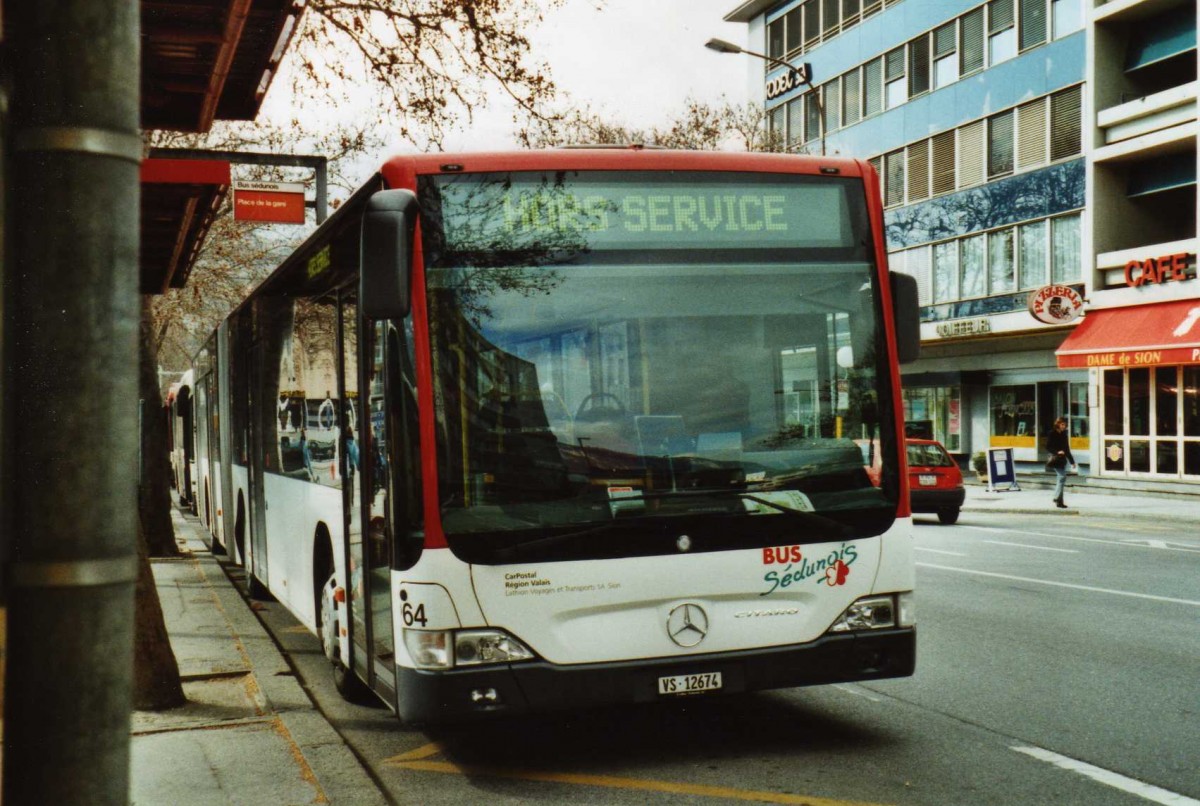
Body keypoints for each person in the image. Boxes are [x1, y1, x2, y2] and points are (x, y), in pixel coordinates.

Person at [1046, 417, 1075, 508]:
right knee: (1062, 477)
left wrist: (1072, 461)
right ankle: (1056, 497)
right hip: (1055, 459)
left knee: (1061, 480)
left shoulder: (1064, 435)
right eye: (1062, 424)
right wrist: (1057, 452)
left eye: (1065, 425)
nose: (1064, 426)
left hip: (1062, 460)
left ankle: (1060, 502)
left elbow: (1067, 449)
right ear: (1058, 424)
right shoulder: (1052, 433)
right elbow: (1048, 447)